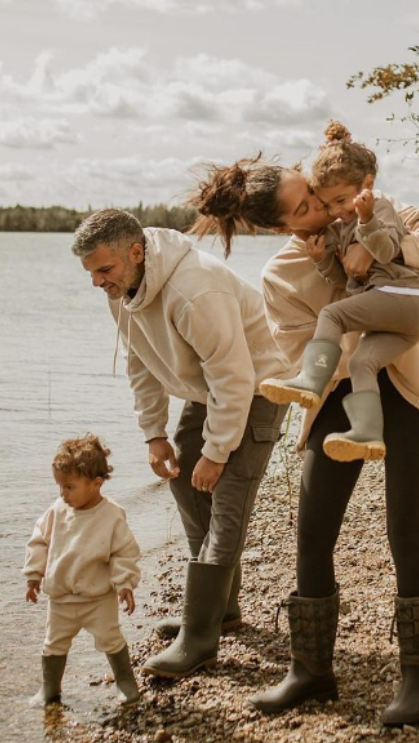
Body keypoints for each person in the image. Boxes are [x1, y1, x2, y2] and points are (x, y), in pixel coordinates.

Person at [190, 143, 419, 727]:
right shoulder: (281, 274)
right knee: (311, 533)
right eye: (304, 205)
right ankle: (310, 670)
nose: (319, 204)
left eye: (312, 191)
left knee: (404, 530)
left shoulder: (378, 210)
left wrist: (378, 245)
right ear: (283, 226)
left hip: (411, 391)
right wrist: (346, 282)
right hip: (338, 399)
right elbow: (299, 351)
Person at [70, 209, 292, 680]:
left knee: (227, 503)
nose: (97, 282)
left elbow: (234, 378)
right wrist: (154, 434)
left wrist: (216, 453)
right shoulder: (123, 288)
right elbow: (141, 362)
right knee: (188, 491)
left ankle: (199, 639)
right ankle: (220, 611)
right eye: (90, 273)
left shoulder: (196, 290)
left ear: (135, 252)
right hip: (207, 391)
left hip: (256, 390)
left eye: (103, 270)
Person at [259, 121, 419, 463]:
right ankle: (367, 434)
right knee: (361, 362)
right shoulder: (340, 227)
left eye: (341, 201)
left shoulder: (379, 208)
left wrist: (366, 223)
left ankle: (310, 379)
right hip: (399, 318)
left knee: (331, 315)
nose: (337, 211)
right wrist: (322, 260)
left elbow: (384, 251)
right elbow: (344, 280)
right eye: (328, 204)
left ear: (367, 185)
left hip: (404, 296)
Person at [23, 434, 141, 707]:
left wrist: (124, 584)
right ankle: (49, 688)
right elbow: (39, 540)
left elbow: (123, 552)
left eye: (69, 487)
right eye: (60, 487)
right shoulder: (57, 510)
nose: (62, 493)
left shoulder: (111, 515)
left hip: (98, 598)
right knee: (53, 643)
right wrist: (33, 575)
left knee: (110, 639)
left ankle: (125, 682)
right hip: (61, 598)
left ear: (96, 483)